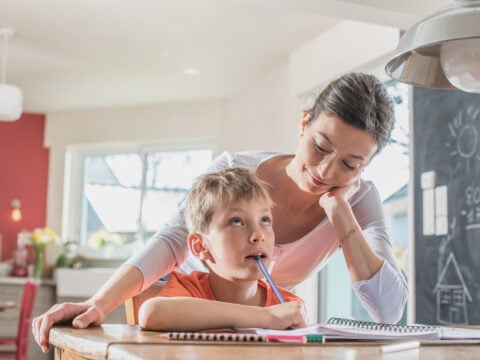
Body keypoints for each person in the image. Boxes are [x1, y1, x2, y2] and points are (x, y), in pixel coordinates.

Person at [33, 72, 408, 352]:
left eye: (350, 164)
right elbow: (172, 241)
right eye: (321, 147)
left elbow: (389, 312)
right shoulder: (236, 170)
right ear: (305, 124)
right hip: (187, 318)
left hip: (252, 329)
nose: (327, 172)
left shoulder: (358, 201)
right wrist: (98, 304)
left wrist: (340, 212)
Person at [139, 167, 307, 331]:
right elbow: (152, 313)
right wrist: (266, 317)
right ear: (200, 246)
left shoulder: (288, 305)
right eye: (237, 221)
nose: (258, 235)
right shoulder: (189, 290)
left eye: (264, 220)